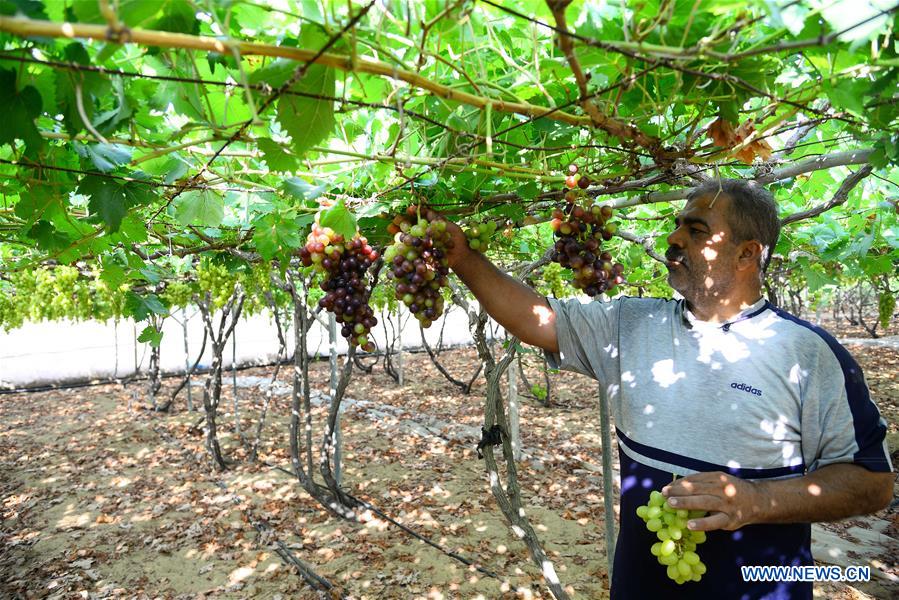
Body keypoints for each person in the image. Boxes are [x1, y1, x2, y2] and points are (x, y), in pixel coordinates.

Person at [439, 179, 894, 599]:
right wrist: (462, 256)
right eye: (677, 225)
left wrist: (759, 500)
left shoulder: (807, 353)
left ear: (747, 253)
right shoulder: (630, 325)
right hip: (642, 581)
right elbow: (533, 319)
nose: (673, 239)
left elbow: (871, 483)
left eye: (695, 230)